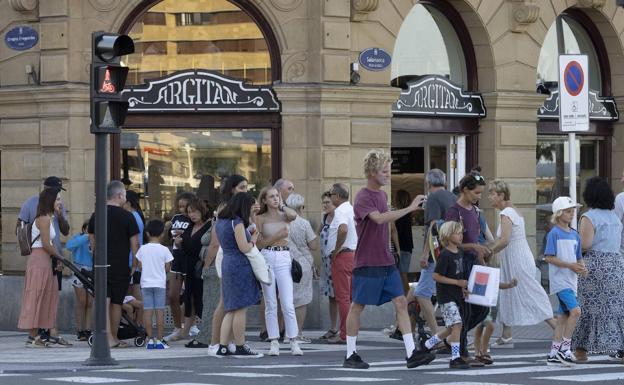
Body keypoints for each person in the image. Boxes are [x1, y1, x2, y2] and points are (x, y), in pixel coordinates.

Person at [343, 149, 433, 370]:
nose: (388, 174)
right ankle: (350, 353)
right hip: (367, 261)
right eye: (384, 171)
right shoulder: (363, 196)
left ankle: (411, 353)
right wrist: (411, 208)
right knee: (357, 306)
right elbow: (380, 219)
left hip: (386, 260)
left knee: (401, 302)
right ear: (373, 172)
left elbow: (387, 223)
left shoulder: (383, 196)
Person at [486, 180, 554, 336]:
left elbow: (504, 240)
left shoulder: (506, 213)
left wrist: (490, 252)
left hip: (516, 260)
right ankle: (506, 334)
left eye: (492, 194)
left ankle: (555, 325)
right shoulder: (513, 210)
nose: (489, 197)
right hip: (517, 257)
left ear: (501, 195)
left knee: (530, 293)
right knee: (509, 294)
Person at [573, 177, 624, 361]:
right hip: (616, 266)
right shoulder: (614, 218)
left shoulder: (589, 217)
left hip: (595, 267)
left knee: (587, 308)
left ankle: (581, 350)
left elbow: (585, 244)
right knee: (616, 309)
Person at [444, 173, 492, 366]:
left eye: (481, 193)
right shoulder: (454, 211)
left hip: (474, 264)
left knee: (481, 308)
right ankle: (461, 351)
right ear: (465, 190)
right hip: (459, 265)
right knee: (464, 309)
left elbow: (476, 239)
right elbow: (448, 241)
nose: (479, 196)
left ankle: (452, 338)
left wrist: (481, 255)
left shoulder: (475, 211)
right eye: (476, 193)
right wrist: (473, 247)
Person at [16, 176, 70, 346]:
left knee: (48, 295)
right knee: (36, 295)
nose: (60, 200)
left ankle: (44, 333)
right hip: (41, 258)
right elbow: (45, 243)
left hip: (48, 258)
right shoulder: (43, 217)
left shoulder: (50, 215)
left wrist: (60, 215)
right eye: (58, 197)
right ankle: (33, 335)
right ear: (50, 195)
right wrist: (59, 257)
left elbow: (65, 231)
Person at [88, 180, 140, 348]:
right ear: (119, 195)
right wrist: (135, 264)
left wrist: (96, 255)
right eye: (124, 194)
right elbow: (135, 245)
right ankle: (113, 338)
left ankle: (105, 337)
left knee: (104, 299)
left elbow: (92, 241)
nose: (125, 197)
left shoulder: (97, 214)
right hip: (119, 264)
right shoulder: (128, 216)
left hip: (100, 263)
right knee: (117, 302)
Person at [215, 192, 263, 357]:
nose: (251, 209)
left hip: (227, 263)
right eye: (250, 206)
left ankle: (222, 346)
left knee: (230, 308)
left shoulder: (221, 222)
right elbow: (244, 247)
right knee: (241, 308)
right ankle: (240, 345)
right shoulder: (237, 222)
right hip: (239, 265)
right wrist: (254, 238)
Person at [256, 186, 303, 356]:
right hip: (267, 256)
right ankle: (273, 340)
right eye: (271, 197)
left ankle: (293, 340)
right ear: (264, 200)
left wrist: (282, 205)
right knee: (270, 302)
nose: (275, 199)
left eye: (277, 196)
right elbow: (259, 244)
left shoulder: (285, 215)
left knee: (287, 302)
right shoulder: (260, 218)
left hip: (284, 256)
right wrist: (277, 235)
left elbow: (294, 215)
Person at [544, 196, 587, 365]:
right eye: (568, 211)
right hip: (560, 282)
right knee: (576, 312)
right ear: (559, 213)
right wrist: (570, 265)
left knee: (562, 318)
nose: (571, 214)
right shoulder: (554, 233)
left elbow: (578, 257)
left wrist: (582, 267)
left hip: (571, 281)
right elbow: (549, 257)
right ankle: (565, 349)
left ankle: (553, 354)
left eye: (573, 211)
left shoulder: (575, 235)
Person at [422, 221, 470, 369]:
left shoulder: (460, 253)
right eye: (457, 233)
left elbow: (459, 275)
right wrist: (457, 283)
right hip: (446, 296)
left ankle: (428, 344)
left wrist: (462, 288)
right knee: (457, 324)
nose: (461, 236)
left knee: (452, 328)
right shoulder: (445, 255)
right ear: (448, 236)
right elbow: (436, 276)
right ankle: (455, 357)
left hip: (456, 295)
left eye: (462, 232)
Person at [415, 169, 456, 337]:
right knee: (445, 293)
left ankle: (436, 333)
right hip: (451, 251)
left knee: (422, 293)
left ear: (428, 183)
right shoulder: (452, 197)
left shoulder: (433, 198)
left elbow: (433, 226)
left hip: (436, 253)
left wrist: (425, 254)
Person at [175, 197, 212, 341]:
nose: (192, 215)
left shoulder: (209, 225)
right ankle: (185, 332)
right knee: (189, 298)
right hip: (189, 267)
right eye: (190, 212)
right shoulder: (190, 227)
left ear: (202, 211)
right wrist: (178, 243)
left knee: (202, 298)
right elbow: (185, 246)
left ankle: (207, 329)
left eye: (195, 211)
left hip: (201, 266)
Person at [326, 183, 357, 345]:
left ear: (337, 196)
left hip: (343, 256)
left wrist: (337, 249)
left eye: (331, 194)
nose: (329, 197)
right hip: (353, 255)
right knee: (350, 298)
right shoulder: (351, 209)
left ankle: (345, 334)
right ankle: (351, 332)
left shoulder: (340, 211)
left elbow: (343, 230)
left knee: (343, 297)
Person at [286, 193, 319, 343]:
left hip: (285, 262)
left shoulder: (283, 222)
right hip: (302, 264)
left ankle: (287, 333)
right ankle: (297, 334)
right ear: (301, 207)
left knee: (287, 299)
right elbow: (314, 246)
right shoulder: (304, 223)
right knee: (301, 300)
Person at [136, 219, 173, 349]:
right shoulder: (164, 250)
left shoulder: (142, 249)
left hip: (145, 284)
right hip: (160, 284)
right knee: (159, 312)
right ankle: (160, 339)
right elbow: (167, 268)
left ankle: (150, 339)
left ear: (147, 233)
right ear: (162, 234)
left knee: (147, 311)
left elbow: (139, 266)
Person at [165, 192, 195, 342]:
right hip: (176, 257)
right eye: (180, 206)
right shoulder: (175, 218)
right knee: (172, 295)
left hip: (188, 256)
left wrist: (184, 234)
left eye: (185, 206)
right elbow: (167, 238)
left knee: (190, 294)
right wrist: (167, 230)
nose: (182, 209)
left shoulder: (194, 219)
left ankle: (189, 325)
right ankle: (178, 327)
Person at [66, 221, 93, 341]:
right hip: (79, 270)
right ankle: (79, 329)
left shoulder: (97, 239)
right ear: (84, 229)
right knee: (82, 301)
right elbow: (69, 246)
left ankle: (87, 329)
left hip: (92, 272)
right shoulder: (79, 237)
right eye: (88, 229)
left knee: (90, 302)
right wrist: (86, 236)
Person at [318, 191, 339, 341]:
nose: (325, 205)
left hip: (338, 261)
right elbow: (316, 236)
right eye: (324, 202)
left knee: (343, 296)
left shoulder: (340, 218)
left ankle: (345, 327)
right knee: (332, 297)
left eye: (328, 203)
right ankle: (333, 327)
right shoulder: (325, 218)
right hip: (326, 263)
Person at [124, 190, 145, 302]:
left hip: (132, 261)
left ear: (128, 203)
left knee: (135, 294)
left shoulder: (133, 217)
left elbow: (136, 242)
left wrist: (134, 264)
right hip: (133, 260)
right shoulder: (135, 215)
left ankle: (141, 319)